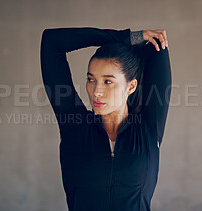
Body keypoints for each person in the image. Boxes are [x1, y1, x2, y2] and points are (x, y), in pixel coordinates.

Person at [40, 27, 171, 211]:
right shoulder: (75, 127)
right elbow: (52, 42)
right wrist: (124, 37)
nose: (96, 92)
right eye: (91, 79)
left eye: (107, 81)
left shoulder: (148, 128)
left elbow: (158, 47)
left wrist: (134, 43)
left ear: (131, 86)